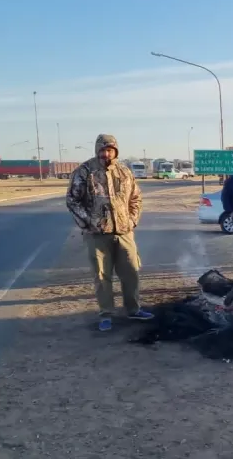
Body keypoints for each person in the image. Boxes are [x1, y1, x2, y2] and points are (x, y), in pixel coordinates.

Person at [65, 134, 153, 332]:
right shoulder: (84, 171)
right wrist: (88, 222)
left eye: (110, 150)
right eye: (103, 150)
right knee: (102, 275)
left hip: (124, 232)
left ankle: (133, 309)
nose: (106, 154)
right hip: (98, 235)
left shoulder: (124, 172)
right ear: (97, 151)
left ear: (115, 151)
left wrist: (132, 220)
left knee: (131, 271)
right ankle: (106, 314)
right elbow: (72, 200)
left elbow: (136, 198)